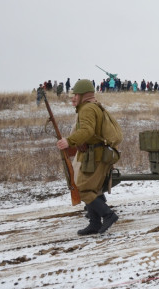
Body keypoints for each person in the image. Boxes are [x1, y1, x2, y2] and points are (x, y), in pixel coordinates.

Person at [56, 79, 119, 235]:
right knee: (92, 189)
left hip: (96, 156)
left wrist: (69, 141)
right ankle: (95, 223)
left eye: (75, 95)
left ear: (83, 95)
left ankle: (108, 215)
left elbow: (87, 130)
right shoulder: (92, 107)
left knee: (83, 189)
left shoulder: (87, 109)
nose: (72, 98)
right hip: (94, 154)